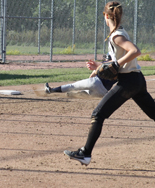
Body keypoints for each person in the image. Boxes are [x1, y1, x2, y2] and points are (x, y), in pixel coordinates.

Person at [64, 1, 155, 166]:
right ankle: (85, 154)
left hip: (129, 82)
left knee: (98, 114)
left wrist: (115, 64)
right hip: (136, 80)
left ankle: (85, 154)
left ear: (106, 16)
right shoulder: (118, 32)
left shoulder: (116, 35)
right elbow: (118, 64)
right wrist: (99, 67)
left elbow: (135, 51)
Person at [45, 54, 116, 98]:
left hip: (96, 82)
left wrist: (88, 82)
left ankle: (51, 90)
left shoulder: (104, 64)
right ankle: (78, 94)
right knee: (88, 93)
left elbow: (93, 75)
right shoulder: (119, 69)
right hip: (103, 92)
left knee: (72, 86)